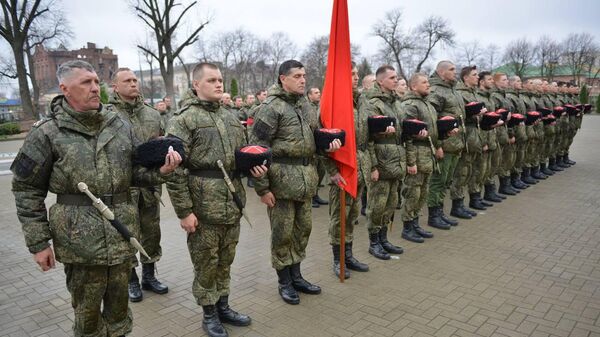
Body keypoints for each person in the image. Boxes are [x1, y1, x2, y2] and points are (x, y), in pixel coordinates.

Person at [12, 60, 181, 337]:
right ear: (65, 89)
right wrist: (38, 243)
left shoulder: (119, 125)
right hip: (80, 244)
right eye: (85, 83)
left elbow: (136, 174)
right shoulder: (47, 133)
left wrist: (161, 172)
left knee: (119, 316)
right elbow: (26, 189)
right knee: (88, 319)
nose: (94, 88)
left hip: (121, 236)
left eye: (95, 82)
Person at [166, 63, 267, 337]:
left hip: (231, 203)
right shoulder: (183, 120)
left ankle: (223, 305)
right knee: (206, 263)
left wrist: (253, 168)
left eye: (220, 79)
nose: (219, 84)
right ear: (196, 84)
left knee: (226, 259)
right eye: (212, 80)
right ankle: (209, 313)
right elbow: (175, 171)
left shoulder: (231, 117)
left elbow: (242, 155)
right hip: (203, 205)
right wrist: (184, 211)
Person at [250, 60, 341, 305]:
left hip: (305, 181)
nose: (303, 80)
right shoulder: (271, 107)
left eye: (304, 75)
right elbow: (256, 150)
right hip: (280, 183)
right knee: (283, 234)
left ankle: (297, 275)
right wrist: (263, 188)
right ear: (283, 78)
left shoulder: (306, 106)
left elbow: (318, 139)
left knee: (302, 231)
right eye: (297, 76)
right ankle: (284, 281)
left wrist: (332, 164)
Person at [109, 67, 170, 302]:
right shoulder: (108, 115)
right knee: (127, 234)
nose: (133, 84)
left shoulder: (152, 114)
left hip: (150, 186)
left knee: (152, 232)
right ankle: (131, 280)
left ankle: (149, 276)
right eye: (127, 81)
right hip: (124, 187)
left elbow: (162, 142)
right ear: (115, 87)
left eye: (135, 80)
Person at [325, 64, 371, 279]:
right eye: (351, 74)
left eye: (356, 74)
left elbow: (366, 137)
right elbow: (323, 141)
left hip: (361, 165)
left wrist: (371, 165)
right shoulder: (333, 103)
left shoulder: (362, 101)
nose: (356, 77)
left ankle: (349, 255)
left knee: (352, 215)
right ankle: (338, 258)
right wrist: (332, 171)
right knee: (339, 217)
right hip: (343, 168)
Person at [400, 73, 453, 239]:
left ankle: (415, 223)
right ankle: (407, 227)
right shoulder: (410, 105)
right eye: (424, 82)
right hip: (416, 154)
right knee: (412, 193)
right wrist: (410, 162)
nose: (428, 85)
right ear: (414, 86)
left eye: (428, 82)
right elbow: (407, 136)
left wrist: (442, 140)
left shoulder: (428, 104)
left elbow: (433, 131)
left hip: (428, 155)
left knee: (423, 193)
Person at [362, 65, 407, 251]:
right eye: (392, 78)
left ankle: (384, 239)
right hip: (380, 162)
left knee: (390, 204)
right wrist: (373, 166)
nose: (396, 80)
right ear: (380, 81)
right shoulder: (372, 103)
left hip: (395, 161)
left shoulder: (396, 103)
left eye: (397, 77)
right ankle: (374, 243)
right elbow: (368, 138)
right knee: (377, 205)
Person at [427, 61, 467, 224]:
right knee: (438, 181)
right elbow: (432, 119)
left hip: (455, 143)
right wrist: (438, 145)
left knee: (446, 181)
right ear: (441, 72)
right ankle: (433, 216)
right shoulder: (436, 90)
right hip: (444, 144)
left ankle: (440, 211)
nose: (455, 72)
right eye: (451, 70)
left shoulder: (453, 89)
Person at [306, 87, 328, 207]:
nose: (319, 94)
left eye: (319, 92)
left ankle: (316, 194)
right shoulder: (306, 107)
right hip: (312, 144)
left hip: (320, 144)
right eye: (315, 93)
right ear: (309, 95)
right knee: (313, 172)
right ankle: (310, 197)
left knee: (321, 170)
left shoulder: (320, 106)